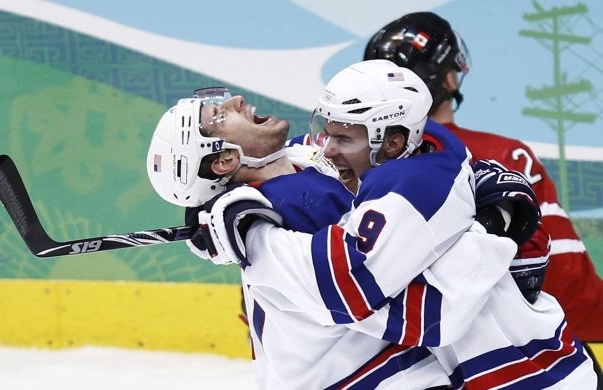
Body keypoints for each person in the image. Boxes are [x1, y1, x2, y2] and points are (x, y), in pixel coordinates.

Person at [147, 61, 596, 388]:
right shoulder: (291, 215)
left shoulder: (296, 170)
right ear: (227, 159)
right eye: (218, 116)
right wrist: (490, 230)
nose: (235, 101)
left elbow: (321, 158)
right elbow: (429, 311)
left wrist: (212, 209)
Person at [363, 11, 603, 345]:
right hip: (506, 356)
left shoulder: (353, 166)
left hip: (395, 357)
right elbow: (564, 272)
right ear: (449, 79)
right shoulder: (506, 157)